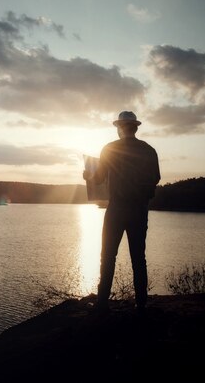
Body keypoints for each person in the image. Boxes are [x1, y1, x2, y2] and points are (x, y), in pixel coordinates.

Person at [83, 110, 161, 314]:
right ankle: (141, 303)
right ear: (135, 127)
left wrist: (87, 175)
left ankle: (102, 303)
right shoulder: (149, 150)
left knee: (108, 256)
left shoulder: (109, 149)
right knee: (138, 257)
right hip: (139, 209)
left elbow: (98, 179)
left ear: (119, 128)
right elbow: (156, 178)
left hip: (116, 209)